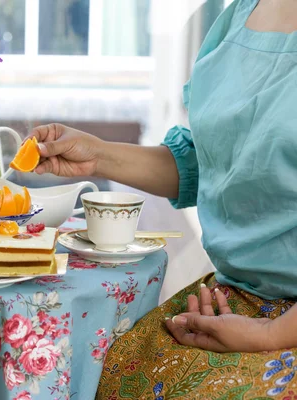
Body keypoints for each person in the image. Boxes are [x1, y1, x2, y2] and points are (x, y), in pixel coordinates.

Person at [29, 0, 297, 398]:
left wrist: (269, 334)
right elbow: (213, 164)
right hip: (232, 300)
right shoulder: (240, 14)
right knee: (98, 370)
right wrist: (97, 154)